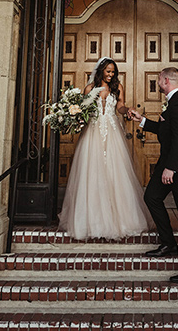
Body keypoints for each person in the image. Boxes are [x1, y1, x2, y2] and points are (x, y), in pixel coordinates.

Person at [59, 57, 152, 240]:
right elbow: (83, 110)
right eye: (108, 71)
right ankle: (90, 222)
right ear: (101, 70)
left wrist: (128, 110)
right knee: (91, 174)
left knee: (114, 174)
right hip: (92, 132)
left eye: (113, 72)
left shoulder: (117, 88)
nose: (111, 75)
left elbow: (120, 107)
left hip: (111, 132)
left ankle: (120, 220)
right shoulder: (90, 89)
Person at [129, 67, 178, 283]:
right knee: (151, 197)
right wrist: (142, 120)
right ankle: (169, 243)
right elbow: (167, 131)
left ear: (165, 80)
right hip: (170, 166)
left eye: (158, 79)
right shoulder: (173, 103)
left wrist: (171, 168)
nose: (157, 82)